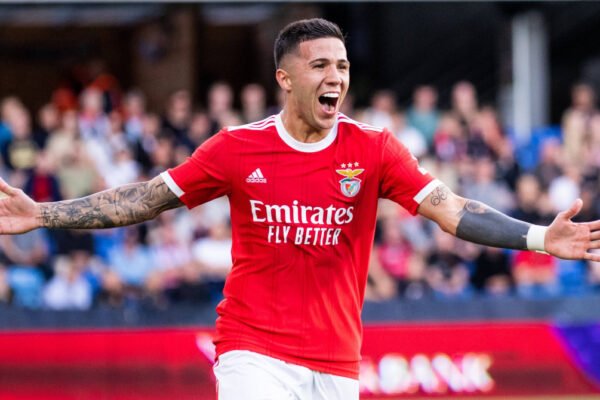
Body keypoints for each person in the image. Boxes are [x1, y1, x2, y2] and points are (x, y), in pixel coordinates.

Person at [0, 18, 599, 400]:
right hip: (252, 350)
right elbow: (145, 200)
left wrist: (541, 239)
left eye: (341, 66)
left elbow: (452, 208)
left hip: (338, 360)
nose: (335, 75)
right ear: (285, 78)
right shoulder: (236, 148)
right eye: (320, 65)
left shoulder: (373, 149)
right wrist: (43, 214)